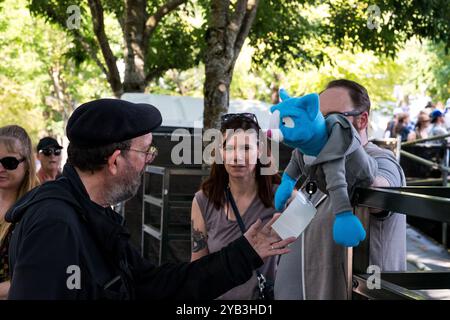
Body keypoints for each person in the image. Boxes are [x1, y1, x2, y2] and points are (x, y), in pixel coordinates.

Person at [5, 99, 295, 300]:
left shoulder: (92, 214)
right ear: (116, 160)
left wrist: (245, 252)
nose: (149, 161)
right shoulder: (54, 224)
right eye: (145, 152)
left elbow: (153, 286)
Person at [274, 79, 406, 300]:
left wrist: (362, 175)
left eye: (332, 117)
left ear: (362, 120)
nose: (323, 124)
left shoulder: (381, 159)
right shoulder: (318, 162)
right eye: (319, 116)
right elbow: (293, 225)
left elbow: (384, 186)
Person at [191, 113, 282, 300]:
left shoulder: (282, 198)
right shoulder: (203, 200)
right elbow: (196, 269)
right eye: (229, 147)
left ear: (260, 151)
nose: (237, 156)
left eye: (246, 148)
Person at [0, 125, 39, 299]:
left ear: (27, 163)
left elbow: (38, 276)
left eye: (9, 162)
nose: (0, 169)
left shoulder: (39, 208)